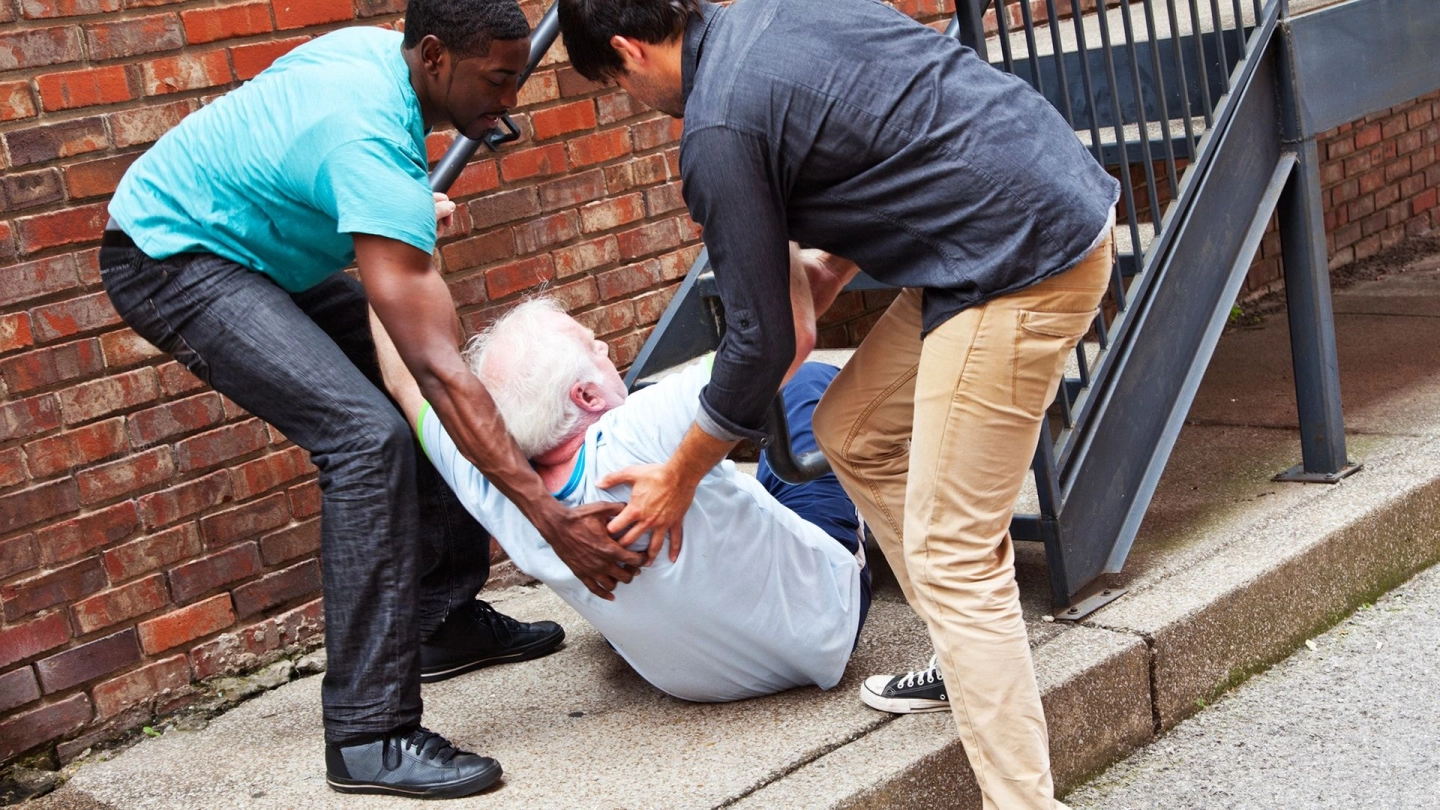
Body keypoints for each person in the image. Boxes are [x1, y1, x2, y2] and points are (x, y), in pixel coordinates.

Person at [557, 1, 1121, 807]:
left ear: (627, 52)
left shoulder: (717, 129)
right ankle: (966, 656)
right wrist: (831, 266)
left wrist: (677, 476)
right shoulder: (775, 13)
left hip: (1018, 262)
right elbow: (902, 133)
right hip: (1028, 211)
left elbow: (758, 346)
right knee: (853, 431)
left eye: (616, 86)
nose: (632, 100)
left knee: (954, 554)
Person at [100, 0, 647, 799]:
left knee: (410, 414)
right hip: (173, 256)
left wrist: (386, 208)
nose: (511, 100)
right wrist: (551, 521)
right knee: (366, 440)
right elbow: (438, 373)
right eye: (498, 79)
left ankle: (438, 621)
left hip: (255, 249)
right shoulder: (366, 140)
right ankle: (369, 734)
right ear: (434, 57)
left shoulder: (379, 67)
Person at [371, 292, 872, 701]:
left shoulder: (490, 483)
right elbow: (779, 343)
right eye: (595, 347)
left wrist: (394, 250)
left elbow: (403, 379)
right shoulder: (637, 428)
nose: (608, 350)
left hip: (690, 684)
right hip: (825, 630)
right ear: (586, 398)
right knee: (806, 387)